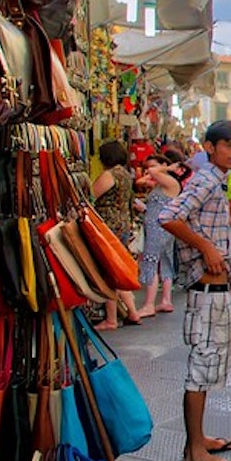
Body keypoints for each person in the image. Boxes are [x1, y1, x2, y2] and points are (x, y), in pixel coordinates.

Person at [159, 120, 231, 461]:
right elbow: (168, 216)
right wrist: (204, 247)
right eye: (230, 146)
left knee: (208, 368)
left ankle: (199, 440)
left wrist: (227, 283)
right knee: (200, 373)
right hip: (203, 291)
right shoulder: (204, 179)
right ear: (210, 147)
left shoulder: (217, 179)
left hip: (214, 288)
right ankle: (195, 455)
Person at [92, 141, 143, 331]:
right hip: (122, 224)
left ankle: (111, 319)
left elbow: (91, 195)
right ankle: (132, 311)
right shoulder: (125, 174)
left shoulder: (110, 175)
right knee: (117, 270)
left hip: (108, 227)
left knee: (109, 273)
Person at [135, 152, 187, 318]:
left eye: (153, 165)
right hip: (162, 226)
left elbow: (154, 174)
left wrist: (164, 168)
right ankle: (165, 300)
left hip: (157, 227)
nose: (150, 170)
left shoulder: (170, 182)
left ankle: (149, 304)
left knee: (151, 260)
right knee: (164, 261)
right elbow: (140, 182)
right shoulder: (162, 184)